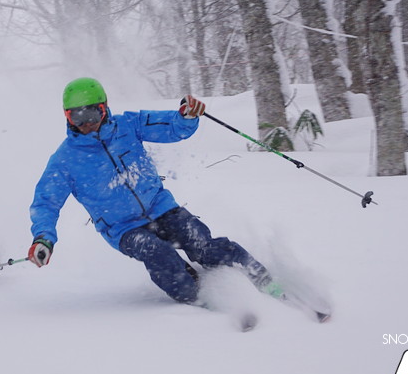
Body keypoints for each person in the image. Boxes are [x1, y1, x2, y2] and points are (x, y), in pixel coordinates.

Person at [27, 77, 285, 305]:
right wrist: (43, 238)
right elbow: (45, 202)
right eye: (77, 117)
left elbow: (171, 127)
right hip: (124, 229)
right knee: (158, 253)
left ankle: (262, 279)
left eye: (93, 114)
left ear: (105, 109)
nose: (87, 124)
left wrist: (186, 115)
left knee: (202, 245)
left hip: (161, 208)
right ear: (67, 117)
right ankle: (199, 296)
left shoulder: (128, 124)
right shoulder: (65, 160)